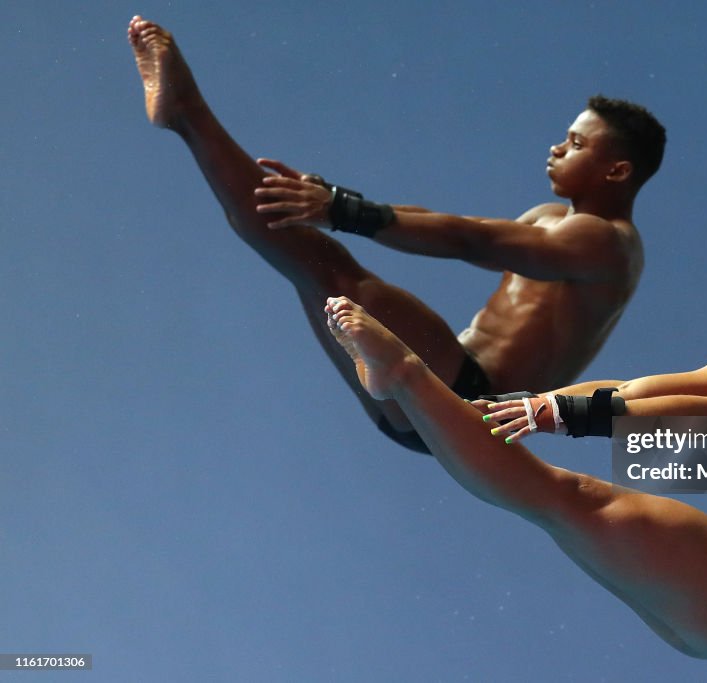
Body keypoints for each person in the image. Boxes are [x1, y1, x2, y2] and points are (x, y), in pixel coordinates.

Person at [323, 224, 707, 658]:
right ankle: (413, 391)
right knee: (552, 505)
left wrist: (565, 415)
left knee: (568, 496)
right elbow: (632, 389)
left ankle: (404, 376)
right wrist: (534, 403)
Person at [127, 16, 666, 454]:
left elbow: (473, 242)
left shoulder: (610, 244)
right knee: (306, 258)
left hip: (471, 403)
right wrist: (334, 197)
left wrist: (344, 209)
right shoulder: (549, 215)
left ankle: (188, 112)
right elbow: (450, 223)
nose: (556, 148)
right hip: (435, 391)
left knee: (328, 265)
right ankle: (184, 117)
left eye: (575, 143)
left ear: (616, 171)